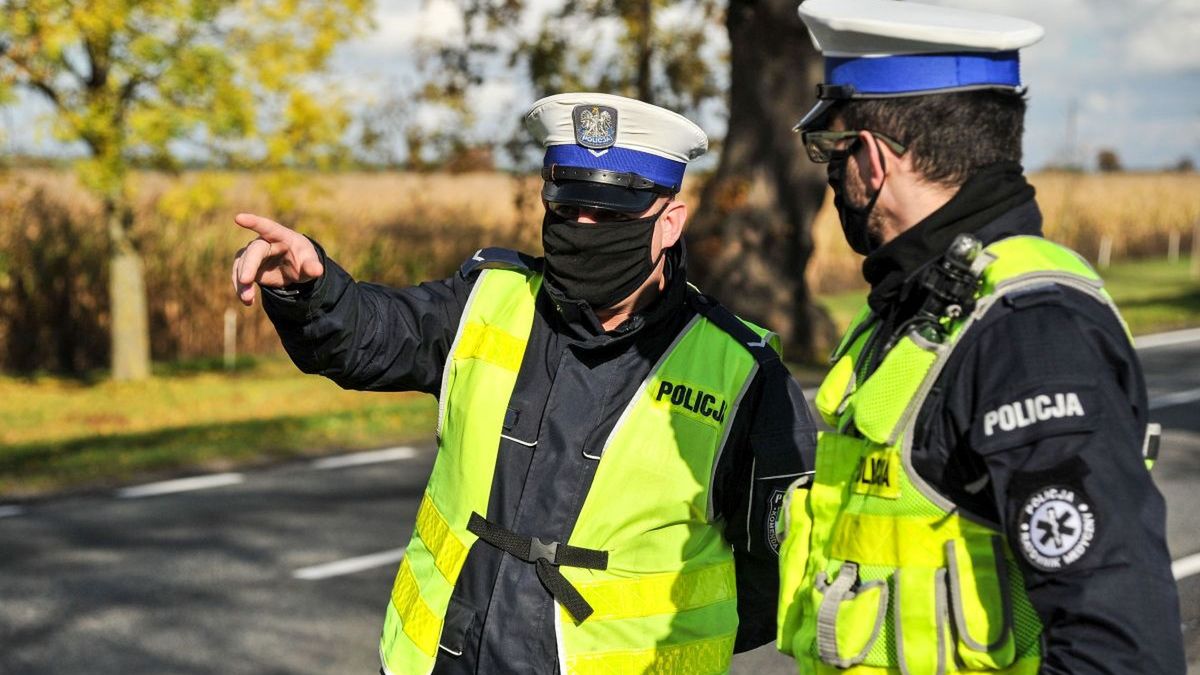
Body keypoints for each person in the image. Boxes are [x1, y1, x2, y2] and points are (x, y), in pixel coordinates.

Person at [231, 92, 816, 674]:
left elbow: (771, 572)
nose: (582, 230)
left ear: (668, 225)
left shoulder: (741, 371)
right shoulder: (487, 298)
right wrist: (310, 292)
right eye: (566, 209)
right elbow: (368, 337)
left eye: (609, 216)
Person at [775, 1, 1186, 673]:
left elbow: (1120, 650)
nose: (833, 181)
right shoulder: (919, 305)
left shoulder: (1028, 335)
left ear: (873, 161)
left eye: (833, 152)